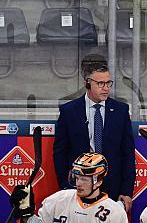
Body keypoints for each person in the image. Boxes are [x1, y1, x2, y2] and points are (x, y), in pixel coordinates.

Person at [53, 54, 135, 213]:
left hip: (112, 185)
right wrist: (65, 185)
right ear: (87, 84)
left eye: (108, 83)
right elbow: (60, 152)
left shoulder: (121, 110)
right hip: (79, 184)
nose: (106, 88)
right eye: (100, 83)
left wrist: (126, 192)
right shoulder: (69, 111)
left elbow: (128, 154)